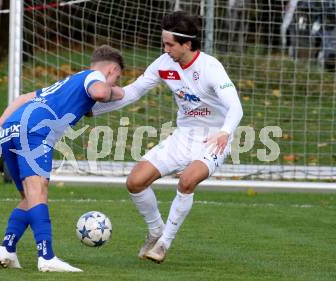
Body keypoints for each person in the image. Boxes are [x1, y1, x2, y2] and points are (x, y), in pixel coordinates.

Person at [91, 11, 243, 263]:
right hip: (183, 136)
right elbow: (132, 93)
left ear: (187, 44)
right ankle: (155, 231)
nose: (165, 48)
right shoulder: (164, 64)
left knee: (187, 181)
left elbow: (236, 107)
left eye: (170, 44)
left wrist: (225, 132)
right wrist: (95, 109)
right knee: (135, 181)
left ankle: (163, 244)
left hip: (215, 138)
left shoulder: (210, 67)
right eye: (164, 43)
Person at [0, 45, 124, 272]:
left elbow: (23, 97)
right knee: (39, 191)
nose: (114, 83)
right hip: (35, 130)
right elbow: (101, 93)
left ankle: (7, 248)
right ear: (112, 70)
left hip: (12, 130)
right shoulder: (94, 77)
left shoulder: (66, 83)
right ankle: (47, 257)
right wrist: (115, 92)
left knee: (29, 197)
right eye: (117, 78)